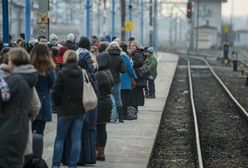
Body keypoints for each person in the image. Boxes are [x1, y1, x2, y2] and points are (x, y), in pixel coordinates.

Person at [0, 48, 38, 168]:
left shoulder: (15, 80)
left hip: (9, 128)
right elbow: (35, 106)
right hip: (20, 128)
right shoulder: (26, 80)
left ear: (14, 61)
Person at [52, 50, 86, 168]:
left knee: (60, 139)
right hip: (80, 110)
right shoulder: (82, 72)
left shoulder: (62, 73)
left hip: (65, 110)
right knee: (76, 139)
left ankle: (56, 165)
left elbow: (55, 92)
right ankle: (73, 165)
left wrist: (59, 104)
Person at [30, 44, 56, 135]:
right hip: (43, 101)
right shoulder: (49, 68)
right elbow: (53, 85)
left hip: (29, 99)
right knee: (39, 133)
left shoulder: (28, 67)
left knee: (28, 133)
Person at [95, 51, 113, 161]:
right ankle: (101, 152)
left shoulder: (99, 74)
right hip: (107, 101)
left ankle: (98, 152)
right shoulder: (108, 72)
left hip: (100, 102)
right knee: (102, 128)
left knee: (97, 128)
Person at [107, 42, 125, 122]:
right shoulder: (120, 57)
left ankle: (109, 116)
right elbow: (123, 70)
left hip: (107, 79)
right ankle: (120, 117)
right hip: (117, 80)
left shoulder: (107, 56)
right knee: (118, 98)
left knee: (107, 97)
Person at [119, 41, 137, 119]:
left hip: (118, 81)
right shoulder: (125, 57)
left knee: (119, 98)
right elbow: (130, 69)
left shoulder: (117, 56)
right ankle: (124, 115)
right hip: (125, 82)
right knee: (125, 99)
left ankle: (119, 115)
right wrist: (135, 77)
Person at [128, 40, 146, 113]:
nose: (131, 47)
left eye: (133, 46)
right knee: (135, 95)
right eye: (130, 46)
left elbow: (140, 62)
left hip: (137, 77)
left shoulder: (137, 54)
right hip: (137, 77)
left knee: (135, 94)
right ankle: (135, 109)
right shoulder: (135, 53)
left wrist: (132, 62)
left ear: (136, 46)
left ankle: (134, 109)